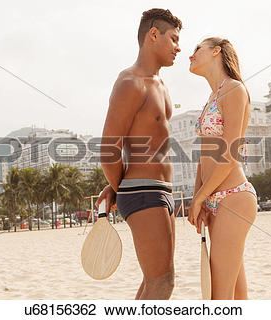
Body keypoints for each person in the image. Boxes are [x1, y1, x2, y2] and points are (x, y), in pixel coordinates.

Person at [95, 8, 182, 300]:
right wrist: (121, 188)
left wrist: (117, 186)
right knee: (163, 282)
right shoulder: (130, 82)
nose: (178, 48)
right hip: (144, 191)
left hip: (161, 190)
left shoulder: (161, 85)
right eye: (173, 39)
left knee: (155, 280)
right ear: (153, 35)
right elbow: (109, 149)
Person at [187, 37, 258, 299]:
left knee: (218, 296)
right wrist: (199, 198)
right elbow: (205, 154)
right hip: (214, 198)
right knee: (236, 296)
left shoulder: (235, 89)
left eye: (197, 49)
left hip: (234, 198)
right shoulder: (212, 97)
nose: (190, 55)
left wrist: (202, 196)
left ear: (216, 51)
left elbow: (229, 152)